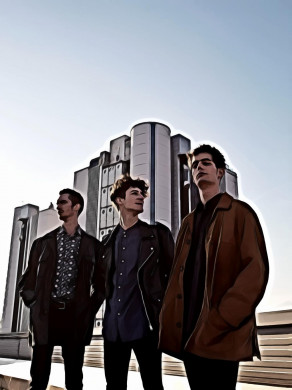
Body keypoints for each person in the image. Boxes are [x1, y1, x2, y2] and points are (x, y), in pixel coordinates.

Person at [159, 144, 269, 390]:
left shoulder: (240, 213)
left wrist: (223, 317)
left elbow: (255, 271)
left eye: (206, 163)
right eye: (195, 165)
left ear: (220, 172)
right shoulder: (188, 222)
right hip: (189, 333)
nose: (199, 168)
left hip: (221, 333)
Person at [18, 188, 105, 390]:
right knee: (38, 378)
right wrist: (34, 302)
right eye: (58, 203)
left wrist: (89, 309)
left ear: (76, 207)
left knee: (74, 378)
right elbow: (27, 280)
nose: (58, 206)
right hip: (45, 314)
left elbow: (101, 285)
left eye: (63, 202)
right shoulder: (42, 243)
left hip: (75, 316)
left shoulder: (93, 246)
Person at [101, 174, 174, 390]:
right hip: (113, 328)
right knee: (114, 386)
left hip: (146, 326)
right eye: (134, 193)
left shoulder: (157, 235)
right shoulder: (106, 244)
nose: (141, 197)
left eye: (142, 193)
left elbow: (173, 278)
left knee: (153, 385)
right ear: (119, 200)